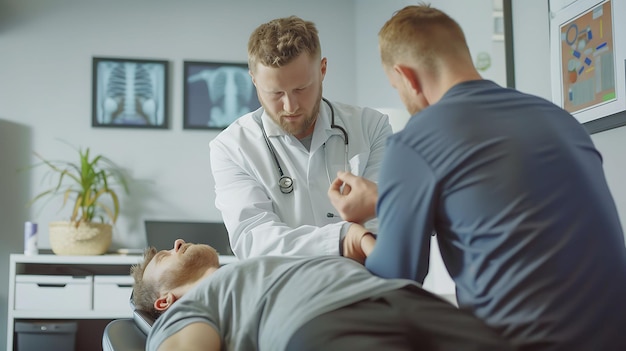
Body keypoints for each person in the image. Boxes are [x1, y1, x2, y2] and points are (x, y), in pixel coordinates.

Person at [328, 4, 626, 351]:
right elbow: (498, 206)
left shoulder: (415, 140)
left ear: (406, 76)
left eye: (397, 87)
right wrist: (387, 198)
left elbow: (395, 279)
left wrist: (358, 235)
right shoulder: (558, 118)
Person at [209, 15, 392, 259]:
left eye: (301, 89)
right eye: (275, 93)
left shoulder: (371, 126)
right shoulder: (231, 147)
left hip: (368, 285)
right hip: (286, 290)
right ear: (254, 80)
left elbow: (388, 224)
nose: (290, 106)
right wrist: (343, 239)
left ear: (323, 69)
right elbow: (254, 240)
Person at [132, 239, 513, 351]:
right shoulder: (184, 312)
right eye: (165, 255)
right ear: (165, 301)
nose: (177, 242)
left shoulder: (248, 271)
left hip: (397, 295)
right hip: (322, 321)